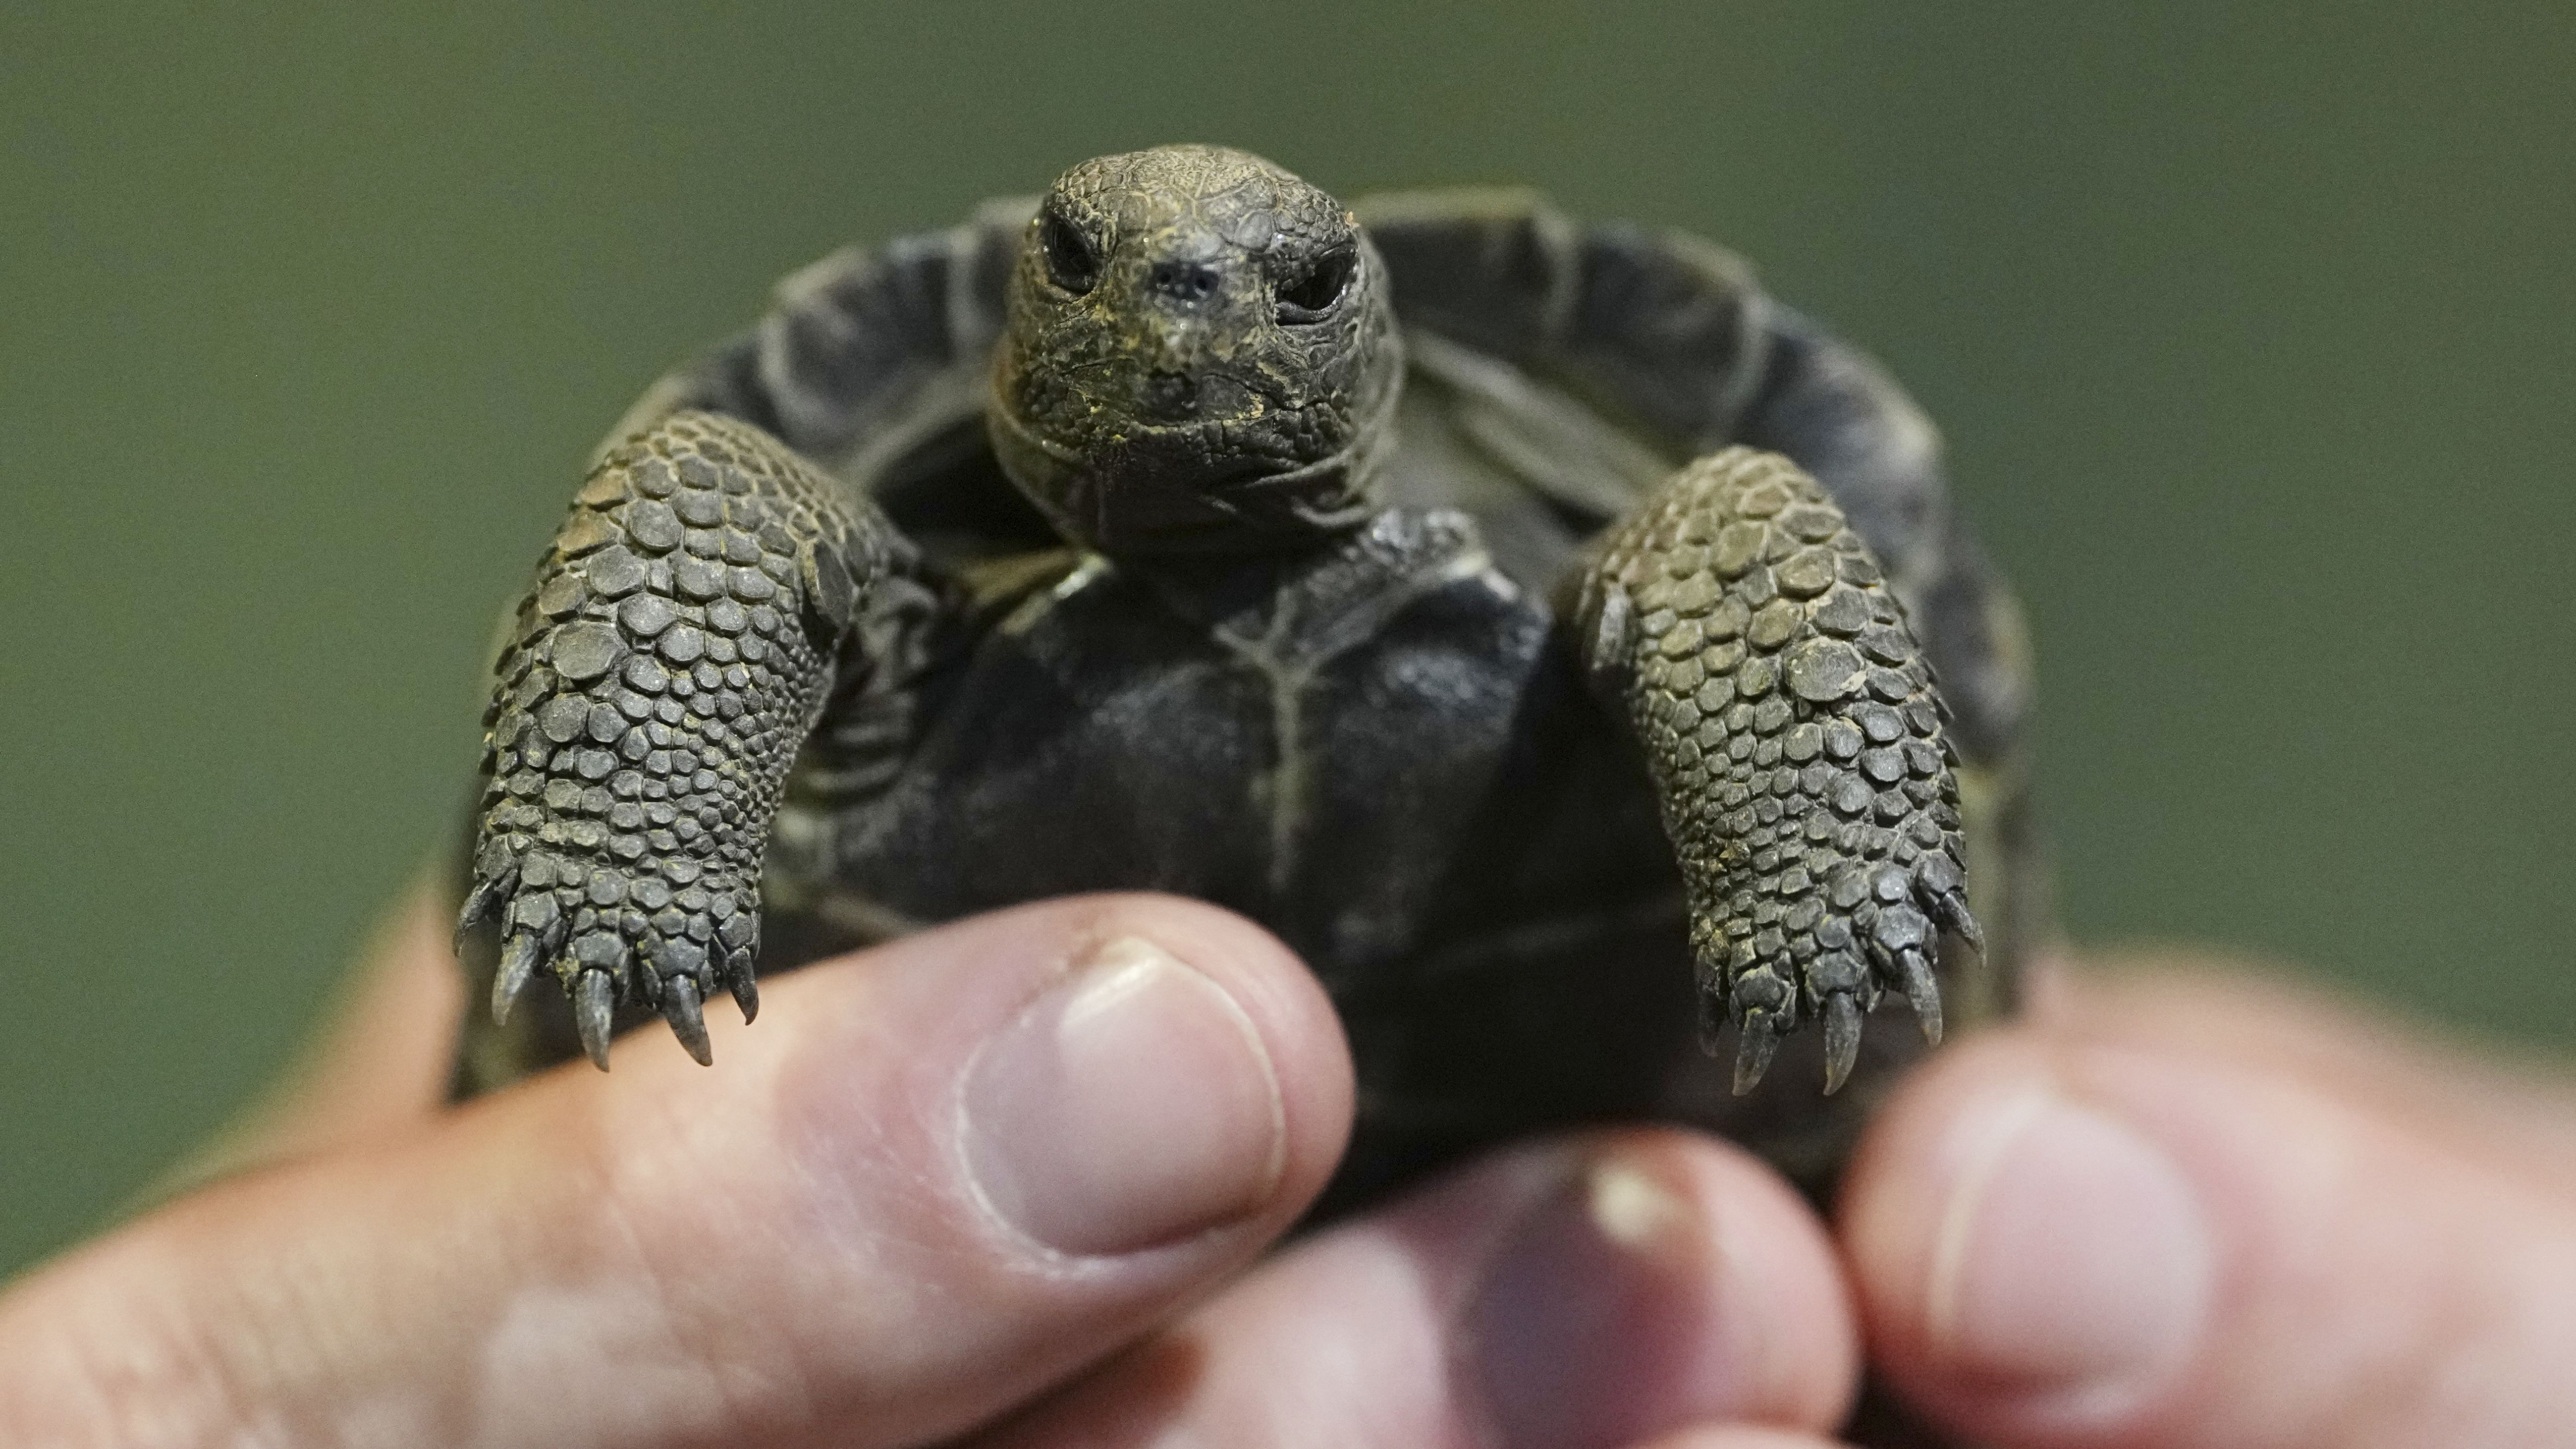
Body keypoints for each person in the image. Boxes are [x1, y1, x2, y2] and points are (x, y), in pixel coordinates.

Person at [4, 885, 2569, 1447]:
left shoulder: (1665, 551)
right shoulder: (818, 536)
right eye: (1115, 278)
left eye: (1280, 295)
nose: (1197, 329)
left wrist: (1831, 866)